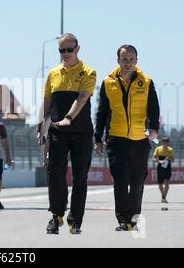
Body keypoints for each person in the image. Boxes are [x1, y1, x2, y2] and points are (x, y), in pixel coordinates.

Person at [95, 44, 159, 231]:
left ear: (136, 61)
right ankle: (123, 220)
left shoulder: (146, 82)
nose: (128, 63)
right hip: (116, 139)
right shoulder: (108, 83)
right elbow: (101, 112)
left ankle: (134, 218)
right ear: (118, 61)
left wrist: (154, 128)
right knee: (121, 181)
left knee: (138, 182)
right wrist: (98, 138)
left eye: (131, 59)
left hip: (140, 140)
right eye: (124, 59)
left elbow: (154, 109)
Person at [37, 33, 97, 235]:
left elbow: (81, 98)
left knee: (80, 177)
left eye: (69, 49)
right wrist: (41, 125)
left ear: (78, 49)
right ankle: (56, 216)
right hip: (57, 132)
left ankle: (75, 220)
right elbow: (47, 101)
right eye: (62, 50)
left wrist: (69, 117)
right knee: (54, 173)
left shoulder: (88, 72)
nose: (65, 53)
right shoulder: (53, 73)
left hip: (81, 132)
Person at [153, 137, 174, 203]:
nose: (165, 143)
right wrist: (159, 161)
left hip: (167, 167)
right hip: (160, 167)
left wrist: (169, 159)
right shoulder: (158, 149)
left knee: (167, 183)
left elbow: (173, 160)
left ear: (168, 142)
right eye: (164, 142)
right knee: (160, 184)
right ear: (162, 142)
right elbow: (153, 158)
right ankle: (163, 196)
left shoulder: (170, 150)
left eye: (167, 142)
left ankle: (164, 197)